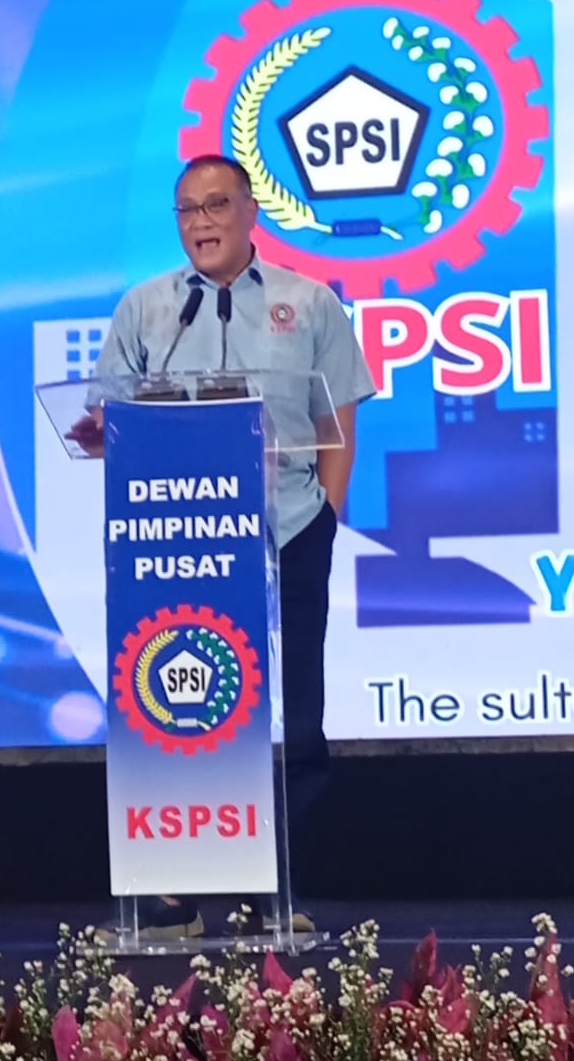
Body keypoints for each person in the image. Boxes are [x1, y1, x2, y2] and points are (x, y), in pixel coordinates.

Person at [81, 154, 376, 941]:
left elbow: (336, 423)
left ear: (252, 212)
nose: (201, 222)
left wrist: (326, 516)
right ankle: (171, 897)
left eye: (216, 205)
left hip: (288, 529)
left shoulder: (308, 303)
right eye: (187, 210)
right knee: (179, 703)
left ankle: (273, 890)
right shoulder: (147, 309)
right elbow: (107, 419)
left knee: (295, 720)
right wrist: (106, 431)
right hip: (178, 542)